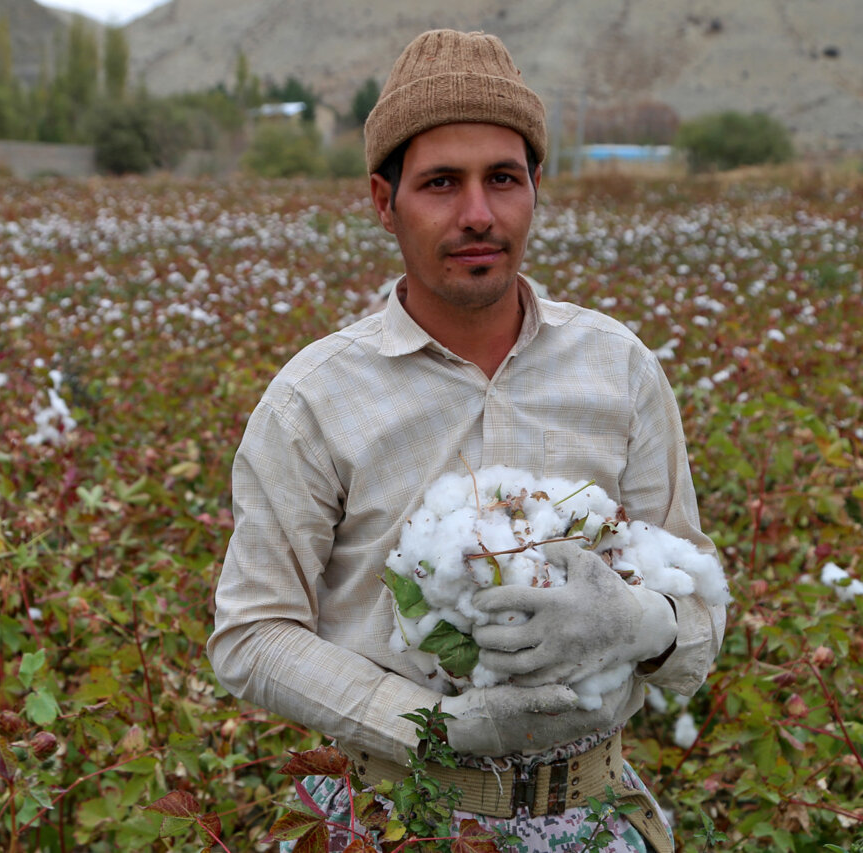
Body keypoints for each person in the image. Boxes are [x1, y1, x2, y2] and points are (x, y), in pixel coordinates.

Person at [206, 29, 725, 853]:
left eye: (503, 179)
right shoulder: (314, 399)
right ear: (384, 201)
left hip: (594, 812)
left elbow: (697, 609)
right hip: (391, 818)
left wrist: (639, 624)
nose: (478, 213)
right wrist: (435, 725)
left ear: (536, 189)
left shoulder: (617, 368)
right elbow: (252, 633)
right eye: (441, 183)